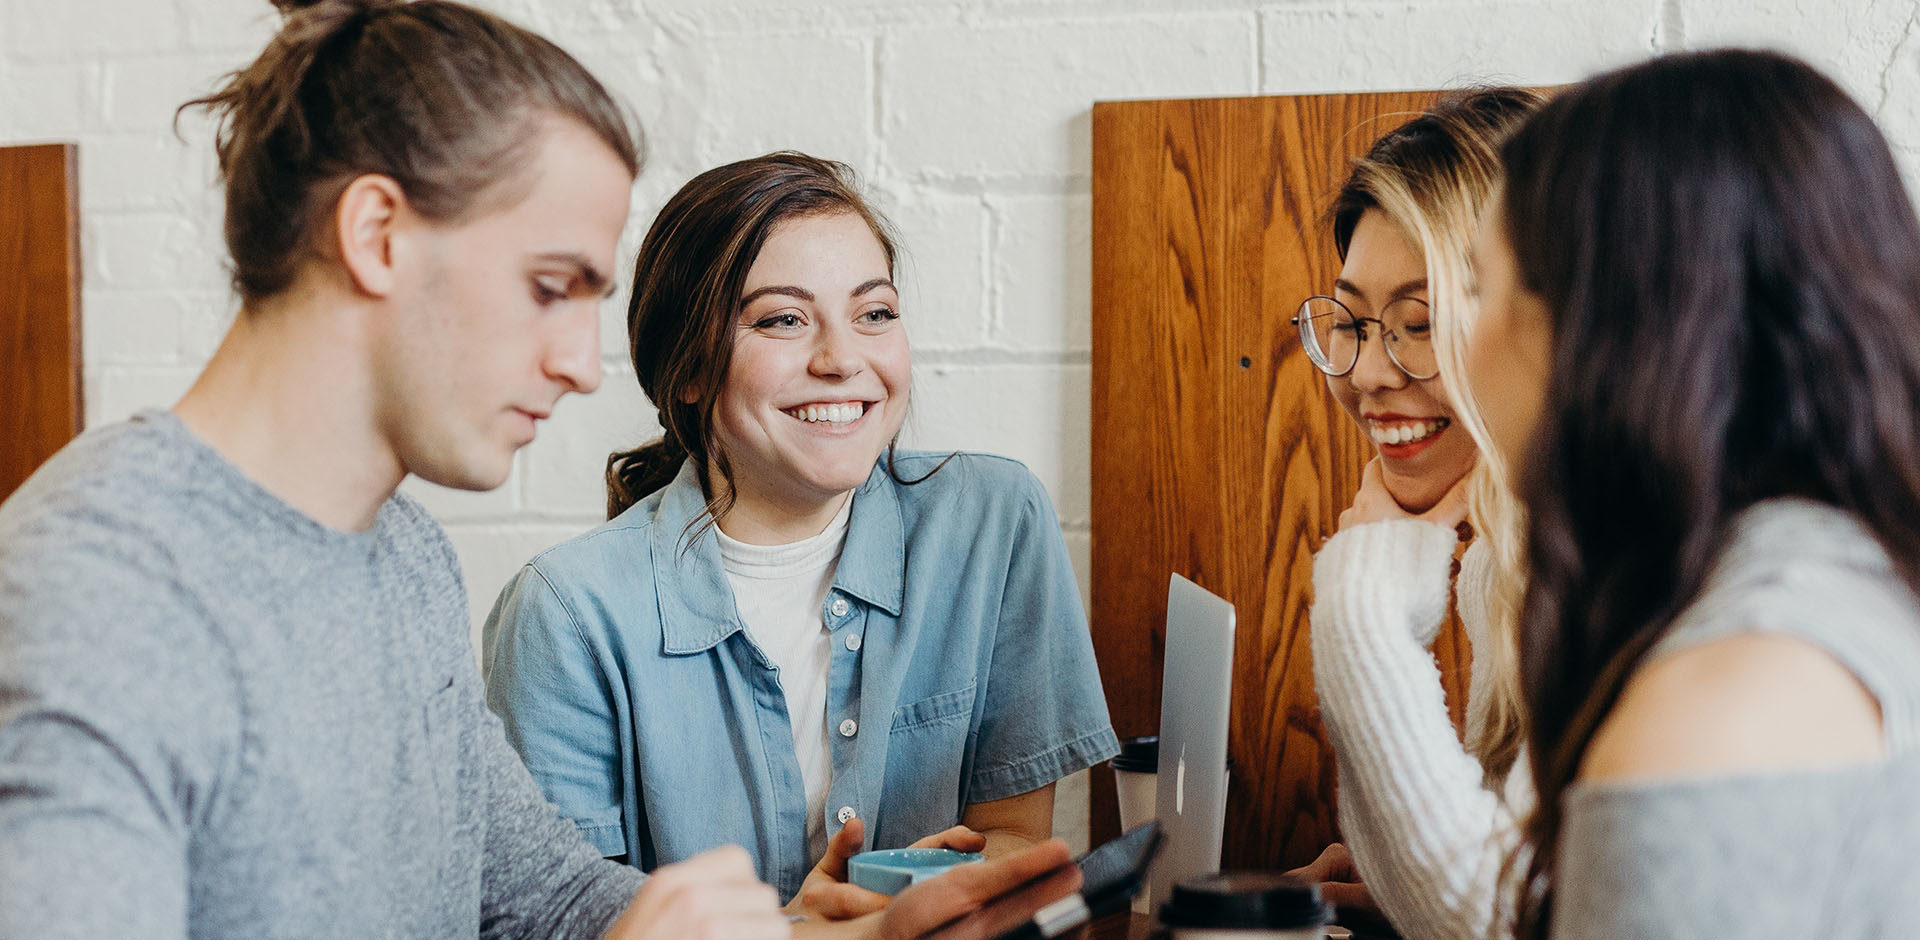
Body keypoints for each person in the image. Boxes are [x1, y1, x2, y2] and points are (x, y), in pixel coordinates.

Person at [0, 2, 1079, 937]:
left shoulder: (399, 554)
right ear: (376, 233)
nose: (576, 363)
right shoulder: (98, 594)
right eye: (548, 285)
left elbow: (548, 903)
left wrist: (803, 931)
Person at [481, 151, 1119, 903]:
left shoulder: (992, 522)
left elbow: (1014, 835)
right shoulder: (564, 613)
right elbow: (558, 919)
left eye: (873, 313)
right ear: (687, 369)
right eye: (783, 319)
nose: (843, 358)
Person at [1470, 49, 1920, 938]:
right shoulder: (1861, 586)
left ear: (1599, 329)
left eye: (1480, 288)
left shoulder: (1717, 710)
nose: (1461, 348)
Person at [1286, 88, 1542, 940]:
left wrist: (1360, 610)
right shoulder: (1513, 558)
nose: (1365, 373)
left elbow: (1499, 922)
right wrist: (1401, 878)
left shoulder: (1630, 565)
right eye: (1353, 321)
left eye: (1419, 322)